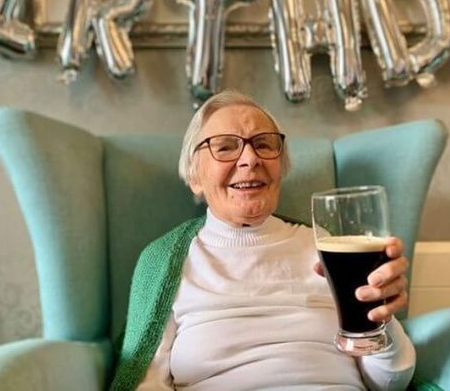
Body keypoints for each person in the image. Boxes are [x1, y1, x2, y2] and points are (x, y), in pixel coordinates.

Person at [110, 90, 415, 391]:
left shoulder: (332, 251)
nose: (250, 158)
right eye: (226, 147)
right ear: (195, 176)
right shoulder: (164, 262)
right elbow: (147, 383)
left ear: (281, 168)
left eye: (263, 144)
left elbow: (389, 382)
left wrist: (379, 318)